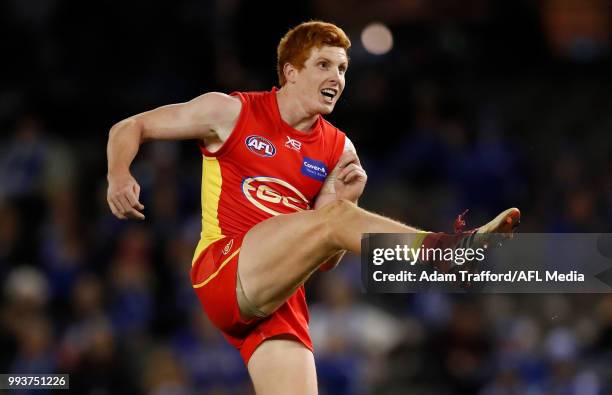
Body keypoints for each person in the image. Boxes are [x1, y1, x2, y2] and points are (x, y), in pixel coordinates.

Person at [106, 21, 520, 394]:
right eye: (323, 65)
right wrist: (120, 174)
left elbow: (324, 262)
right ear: (291, 71)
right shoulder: (230, 111)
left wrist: (348, 204)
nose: (336, 78)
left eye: (342, 69)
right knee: (332, 220)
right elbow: (129, 127)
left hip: (279, 297)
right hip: (225, 267)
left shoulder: (340, 150)